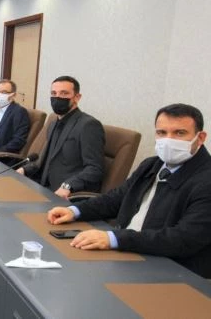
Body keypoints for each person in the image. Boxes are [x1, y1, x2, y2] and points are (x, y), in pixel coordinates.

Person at [47, 104, 211, 278]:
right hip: (127, 253)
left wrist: (113, 239)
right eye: (162, 133)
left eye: (179, 133)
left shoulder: (206, 179)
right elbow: (117, 198)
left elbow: (183, 239)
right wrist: (75, 211)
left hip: (170, 271)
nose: (168, 140)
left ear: (200, 137)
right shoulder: (152, 164)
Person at [18, 76, 104, 199]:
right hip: (42, 189)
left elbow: (95, 169)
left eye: (64, 93)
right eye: (54, 93)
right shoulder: (53, 123)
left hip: (65, 196)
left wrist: (68, 186)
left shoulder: (88, 125)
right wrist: (23, 170)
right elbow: (44, 160)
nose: (57, 97)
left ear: (77, 97)